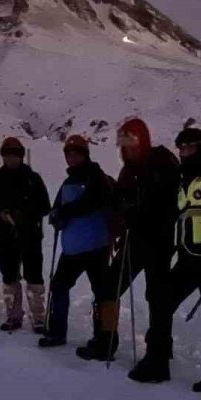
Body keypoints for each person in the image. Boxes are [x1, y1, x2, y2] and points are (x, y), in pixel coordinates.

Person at [128, 126, 201, 391]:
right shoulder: (182, 180)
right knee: (161, 302)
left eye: (188, 147)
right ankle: (157, 361)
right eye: (180, 147)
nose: (183, 152)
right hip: (188, 258)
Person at [76, 117, 179, 362]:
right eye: (124, 141)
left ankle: (159, 352)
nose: (128, 147)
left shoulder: (162, 161)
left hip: (158, 241)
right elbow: (121, 202)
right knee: (108, 289)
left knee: (156, 298)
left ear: (143, 139)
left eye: (132, 140)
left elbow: (169, 202)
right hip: (135, 240)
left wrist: (138, 210)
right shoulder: (129, 170)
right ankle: (105, 340)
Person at [38, 135, 113, 349]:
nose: (71, 157)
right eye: (68, 153)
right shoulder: (68, 181)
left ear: (85, 154)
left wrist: (64, 212)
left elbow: (92, 201)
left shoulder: (96, 176)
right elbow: (57, 207)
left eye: (76, 153)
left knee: (102, 293)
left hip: (95, 246)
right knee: (62, 287)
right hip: (74, 247)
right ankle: (57, 332)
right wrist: (55, 215)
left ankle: (105, 338)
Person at [0, 136, 51, 332]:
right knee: (9, 277)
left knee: (34, 277)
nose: (12, 158)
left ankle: (38, 317)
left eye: (16, 154)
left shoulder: (33, 178)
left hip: (30, 236)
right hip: (5, 236)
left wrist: (25, 215)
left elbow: (45, 206)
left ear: (22, 156)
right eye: (8, 154)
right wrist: (1, 214)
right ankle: (13, 315)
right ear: (3, 156)